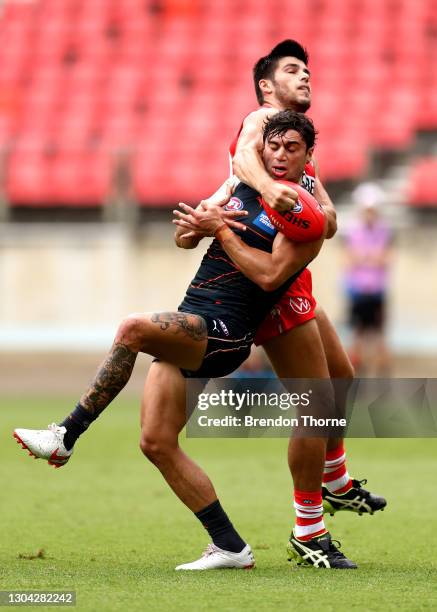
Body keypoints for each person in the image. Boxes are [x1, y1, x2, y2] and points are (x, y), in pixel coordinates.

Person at [14, 111, 354, 568]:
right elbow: (183, 238)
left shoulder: (304, 216)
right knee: (155, 440)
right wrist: (196, 228)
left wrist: (220, 233)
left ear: (308, 157)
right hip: (193, 321)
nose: (278, 156)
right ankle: (230, 546)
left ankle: (66, 435)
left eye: (291, 148)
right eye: (272, 146)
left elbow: (271, 275)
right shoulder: (241, 186)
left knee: (133, 329)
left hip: (225, 334)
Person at [176, 40, 386, 563]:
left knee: (341, 378)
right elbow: (244, 156)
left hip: (294, 280)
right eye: (293, 70)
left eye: (308, 69)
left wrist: (316, 213)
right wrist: (270, 191)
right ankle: (309, 531)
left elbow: (329, 219)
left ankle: (334, 480)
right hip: (270, 286)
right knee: (314, 406)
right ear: (267, 86)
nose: (306, 76)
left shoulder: (298, 145)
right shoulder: (262, 121)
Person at [344, 182, 393, 375]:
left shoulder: (385, 230)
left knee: (379, 335)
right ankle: (355, 374)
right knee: (357, 335)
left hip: (377, 290)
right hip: (357, 291)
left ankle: (382, 378)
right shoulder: (353, 230)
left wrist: (364, 257)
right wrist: (372, 257)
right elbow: (350, 259)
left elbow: (386, 259)